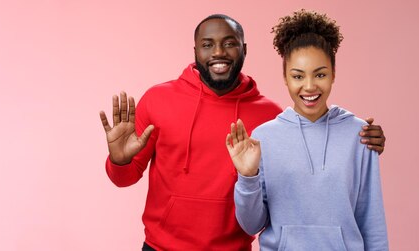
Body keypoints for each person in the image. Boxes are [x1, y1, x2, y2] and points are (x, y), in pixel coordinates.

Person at [99, 14, 386, 250]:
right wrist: (120, 160)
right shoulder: (158, 100)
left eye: (229, 44)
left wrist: (363, 138)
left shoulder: (268, 117)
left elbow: (311, 153)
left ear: (244, 50)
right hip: (161, 248)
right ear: (195, 50)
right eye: (208, 44)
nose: (219, 53)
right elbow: (123, 179)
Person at [227, 10, 388, 250]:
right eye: (298, 76)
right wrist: (247, 177)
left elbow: (372, 221)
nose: (309, 86)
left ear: (333, 74)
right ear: (285, 77)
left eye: (320, 74)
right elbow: (251, 225)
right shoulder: (263, 137)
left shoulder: (360, 134)